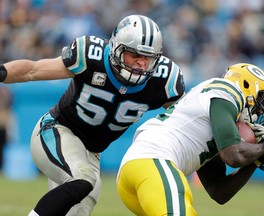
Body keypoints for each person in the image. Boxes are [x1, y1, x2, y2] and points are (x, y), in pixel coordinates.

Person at [0, 14, 185, 216]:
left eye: (147, 58)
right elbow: (32, 71)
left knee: (79, 206)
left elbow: (188, 118)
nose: (141, 64)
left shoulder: (165, 81)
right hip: (56, 131)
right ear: (116, 48)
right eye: (134, 55)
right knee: (83, 180)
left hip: (90, 154)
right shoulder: (91, 56)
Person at [117, 63, 264, 216]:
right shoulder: (228, 91)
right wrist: (263, 148)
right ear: (247, 87)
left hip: (141, 173)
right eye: (260, 102)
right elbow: (233, 156)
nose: (258, 111)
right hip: (153, 161)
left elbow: (219, 191)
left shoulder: (206, 121)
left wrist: (255, 161)